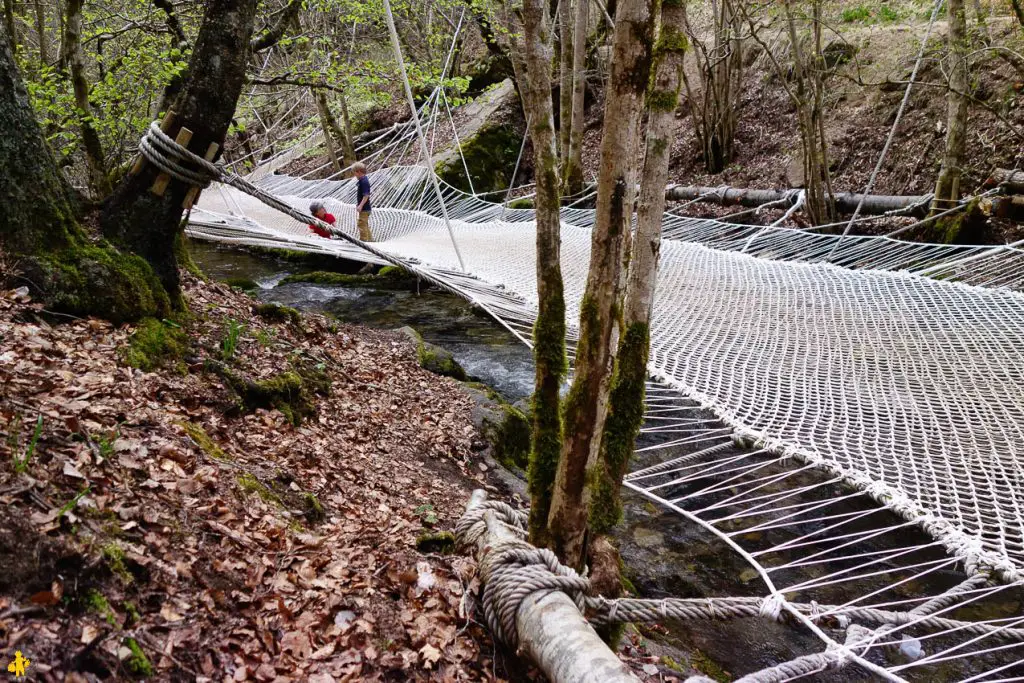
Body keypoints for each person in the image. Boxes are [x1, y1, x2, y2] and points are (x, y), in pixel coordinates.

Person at [353, 162, 373, 241]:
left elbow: (366, 195)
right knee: (365, 225)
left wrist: (360, 205)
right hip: (365, 208)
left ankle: (364, 242)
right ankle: (371, 241)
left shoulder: (364, 181)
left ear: (359, 171)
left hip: (365, 208)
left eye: (354, 172)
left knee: (361, 224)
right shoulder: (363, 180)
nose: (354, 175)